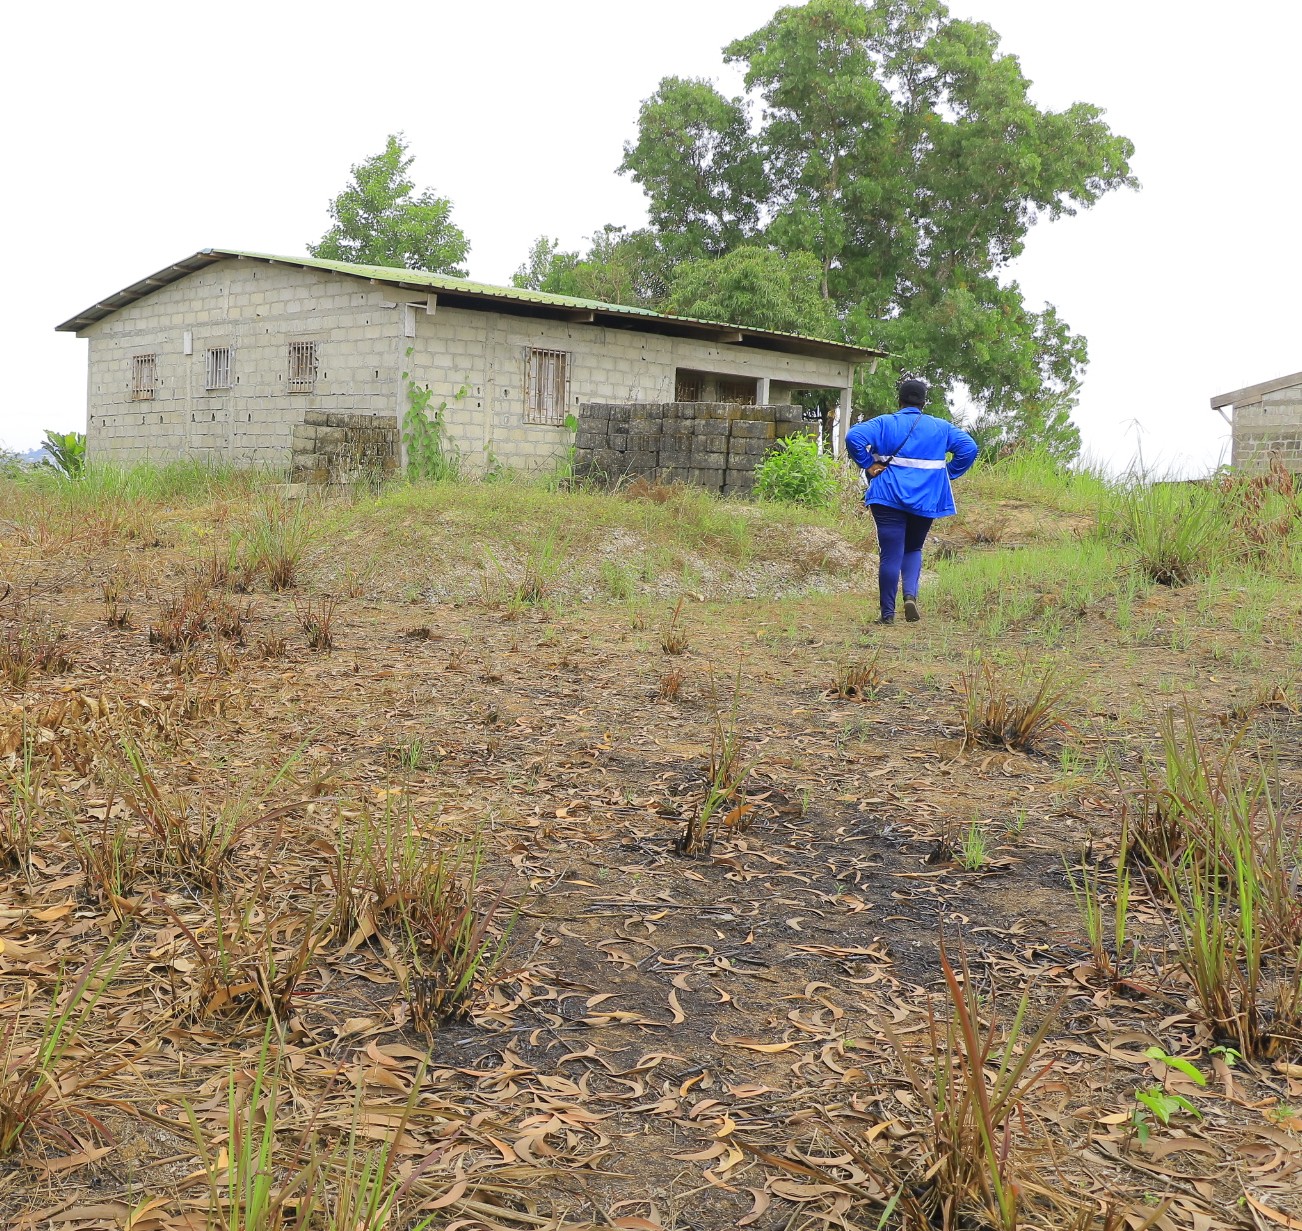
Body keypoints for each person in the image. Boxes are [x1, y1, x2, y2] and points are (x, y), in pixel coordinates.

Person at [844, 376, 978, 625]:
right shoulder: (941, 427)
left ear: (899, 400)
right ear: (924, 403)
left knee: (890, 554)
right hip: (926, 498)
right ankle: (910, 596)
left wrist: (869, 464)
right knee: (914, 548)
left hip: (887, 497)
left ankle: (887, 615)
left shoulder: (886, 423)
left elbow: (854, 437)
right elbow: (969, 448)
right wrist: (948, 472)